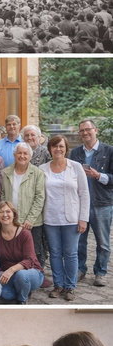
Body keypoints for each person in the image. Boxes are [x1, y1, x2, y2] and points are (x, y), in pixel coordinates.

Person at [42, 134, 90, 301]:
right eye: (55, 146)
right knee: (55, 253)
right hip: (50, 219)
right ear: (50, 149)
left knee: (70, 253)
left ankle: (70, 287)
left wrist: (83, 218)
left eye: (61, 146)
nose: (58, 149)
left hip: (72, 219)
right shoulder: (43, 169)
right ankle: (58, 285)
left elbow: (84, 194)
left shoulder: (76, 167)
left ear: (66, 148)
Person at [69, 119, 113, 287]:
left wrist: (98, 176)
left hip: (101, 203)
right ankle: (80, 269)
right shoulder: (75, 153)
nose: (85, 133)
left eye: (88, 129)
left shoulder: (109, 151)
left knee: (103, 242)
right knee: (80, 240)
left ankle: (100, 272)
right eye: (82, 131)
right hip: (79, 204)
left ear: (96, 130)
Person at [2, 142, 48, 281]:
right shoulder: (6, 172)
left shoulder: (38, 173)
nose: (22, 156)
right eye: (19, 153)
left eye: (25, 153)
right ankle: (16, 278)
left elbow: (40, 197)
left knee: (34, 253)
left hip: (31, 222)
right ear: (15, 155)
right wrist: (6, 216)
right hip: (12, 222)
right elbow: (3, 195)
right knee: (15, 253)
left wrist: (30, 219)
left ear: (30, 155)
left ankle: (35, 279)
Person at [0, 202, 45, 303]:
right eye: (1, 212)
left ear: (14, 214)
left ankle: (22, 299)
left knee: (21, 275)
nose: (5, 215)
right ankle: (22, 289)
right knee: (5, 295)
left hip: (31, 272)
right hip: (9, 276)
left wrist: (11, 270)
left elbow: (30, 260)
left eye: (8, 211)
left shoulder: (24, 233)